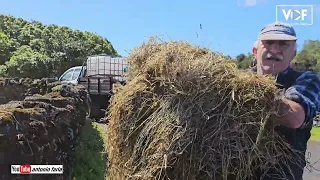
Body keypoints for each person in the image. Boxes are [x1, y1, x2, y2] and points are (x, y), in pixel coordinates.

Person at [251, 21, 320, 180]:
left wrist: (245, 94)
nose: (275, 50)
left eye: (283, 44)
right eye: (268, 42)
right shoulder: (235, 79)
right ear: (255, 51)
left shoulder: (305, 81)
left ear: (293, 54)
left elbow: (294, 117)